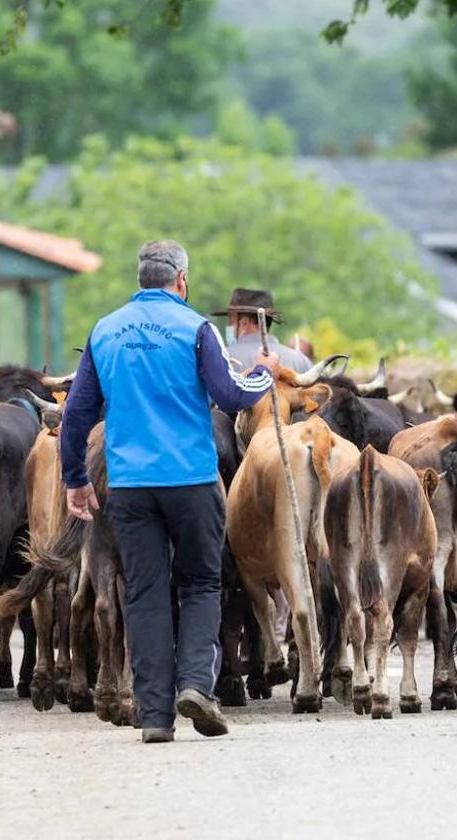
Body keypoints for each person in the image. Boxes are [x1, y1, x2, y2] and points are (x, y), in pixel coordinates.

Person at [61, 240, 281, 744]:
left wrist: (75, 479)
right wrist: (263, 376)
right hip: (191, 479)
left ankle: (155, 716)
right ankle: (197, 685)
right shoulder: (195, 328)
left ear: (140, 280)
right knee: (202, 584)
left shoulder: (105, 330)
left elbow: (76, 413)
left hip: (130, 486)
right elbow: (230, 394)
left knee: (143, 593)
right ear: (181, 280)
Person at [214, 288, 313, 374]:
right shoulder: (301, 361)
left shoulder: (222, 358)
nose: (229, 326)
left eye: (231, 321)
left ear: (244, 323)